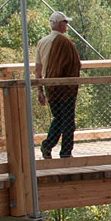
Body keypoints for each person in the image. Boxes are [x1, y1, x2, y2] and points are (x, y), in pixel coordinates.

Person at [36, 12, 81, 158]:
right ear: (61, 24)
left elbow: (38, 68)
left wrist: (40, 90)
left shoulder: (42, 42)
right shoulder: (66, 42)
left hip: (49, 87)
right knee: (68, 120)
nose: (66, 25)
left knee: (58, 118)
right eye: (65, 23)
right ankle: (66, 152)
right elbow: (75, 65)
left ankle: (47, 145)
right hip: (65, 87)